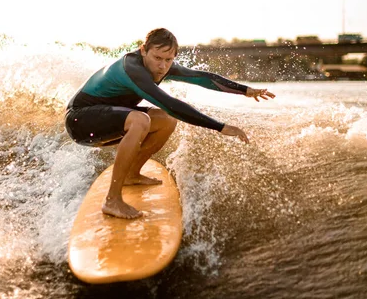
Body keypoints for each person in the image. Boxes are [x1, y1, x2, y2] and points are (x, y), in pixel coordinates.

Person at [65, 28, 275, 219]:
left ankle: (131, 175)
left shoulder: (162, 66)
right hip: (80, 120)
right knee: (141, 120)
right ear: (143, 50)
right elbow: (170, 104)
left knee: (166, 121)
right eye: (157, 58)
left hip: (107, 118)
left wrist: (246, 90)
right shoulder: (133, 69)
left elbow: (203, 77)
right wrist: (221, 127)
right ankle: (112, 201)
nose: (162, 66)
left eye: (168, 59)